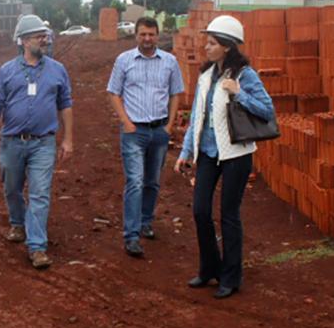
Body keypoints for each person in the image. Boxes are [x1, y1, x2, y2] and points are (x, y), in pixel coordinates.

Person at [174, 15, 274, 299]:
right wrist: (185, 152)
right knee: (200, 211)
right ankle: (209, 269)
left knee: (229, 215)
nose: (206, 47)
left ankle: (231, 277)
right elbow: (196, 117)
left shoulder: (245, 75)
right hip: (207, 153)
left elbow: (267, 111)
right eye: (207, 41)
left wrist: (239, 93)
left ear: (227, 47)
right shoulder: (206, 76)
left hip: (235, 155)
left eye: (212, 43)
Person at [0, 14, 73, 270]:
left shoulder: (57, 70)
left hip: (43, 142)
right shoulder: (7, 71)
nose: (44, 40)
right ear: (23, 41)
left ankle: (37, 247)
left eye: (45, 35)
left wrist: (67, 139)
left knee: (40, 193)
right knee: (12, 188)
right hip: (12, 141)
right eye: (38, 36)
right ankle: (17, 222)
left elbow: (65, 104)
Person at [107, 16, 184, 258]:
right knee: (135, 181)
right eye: (143, 34)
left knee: (152, 181)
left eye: (151, 35)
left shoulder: (170, 62)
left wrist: (170, 125)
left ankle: (146, 221)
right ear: (136, 35)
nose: (147, 39)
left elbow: (175, 94)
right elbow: (113, 93)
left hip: (159, 130)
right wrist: (126, 122)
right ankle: (131, 235)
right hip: (134, 132)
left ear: (158, 36)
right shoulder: (124, 60)